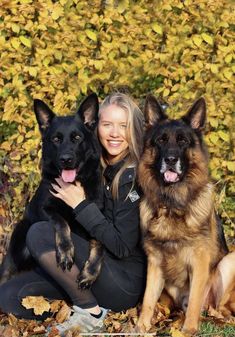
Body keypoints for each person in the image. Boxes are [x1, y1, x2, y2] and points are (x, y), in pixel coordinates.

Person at [0, 92, 146, 334]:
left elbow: (121, 247)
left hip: (122, 283)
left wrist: (80, 204)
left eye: (123, 126)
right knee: (7, 296)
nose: (114, 133)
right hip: (86, 275)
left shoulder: (136, 176)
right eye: (107, 124)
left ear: (133, 129)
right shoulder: (94, 165)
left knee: (40, 232)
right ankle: (72, 307)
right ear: (95, 127)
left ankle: (91, 313)